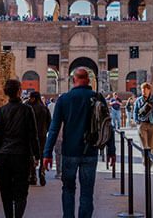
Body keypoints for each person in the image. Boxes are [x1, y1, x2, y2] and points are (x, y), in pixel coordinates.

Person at [44, 69, 106, 218]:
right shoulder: (97, 97)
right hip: (90, 152)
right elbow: (106, 125)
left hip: (69, 151)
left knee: (68, 189)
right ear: (89, 80)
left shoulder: (64, 99)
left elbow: (54, 128)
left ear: (73, 80)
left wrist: (47, 153)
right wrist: (110, 150)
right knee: (87, 192)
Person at [0, 79, 40, 218]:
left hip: (4, 156)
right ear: (19, 91)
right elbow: (33, 135)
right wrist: (37, 156)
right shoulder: (27, 109)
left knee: (6, 192)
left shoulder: (1, 111)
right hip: (22, 156)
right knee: (21, 192)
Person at [27, 91, 51, 186]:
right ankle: (42, 172)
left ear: (34, 98)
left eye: (30, 97)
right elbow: (49, 122)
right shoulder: (44, 108)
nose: (29, 99)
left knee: (32, 155)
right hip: (42, 135)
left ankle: (33, 176)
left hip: (31, 136)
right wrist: (45, 130)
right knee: (41, 155)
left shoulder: (29, 108)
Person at [132, 82, 153, 151]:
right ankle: (145, 161)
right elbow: (135, 111)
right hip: (142, 124)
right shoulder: (139, 100)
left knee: (152, 146)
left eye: (145, 90)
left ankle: (150, 160)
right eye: (143, 90)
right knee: (144, 146)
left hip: (152, 124)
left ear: (149, 90)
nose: (144, 92)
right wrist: (137, 122)